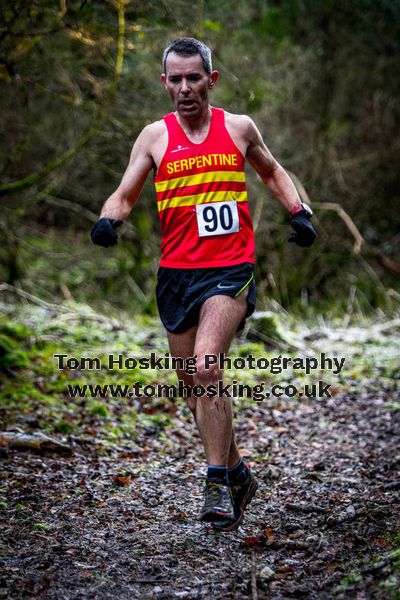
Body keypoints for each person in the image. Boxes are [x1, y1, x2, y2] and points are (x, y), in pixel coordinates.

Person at [91, 37, 316, 532]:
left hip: (230, 270)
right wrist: (109, 221)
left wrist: (299, 211)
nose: (186, 87)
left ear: (210, 80)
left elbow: (272, 170)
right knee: (194, 390)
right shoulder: (153, 137)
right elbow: (124, 193)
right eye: (177, 79)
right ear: (165, 83)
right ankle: (237, 472)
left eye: (195, 78)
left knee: (207, 366)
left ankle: (216, 482)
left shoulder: (238, 128)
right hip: (176, 276)